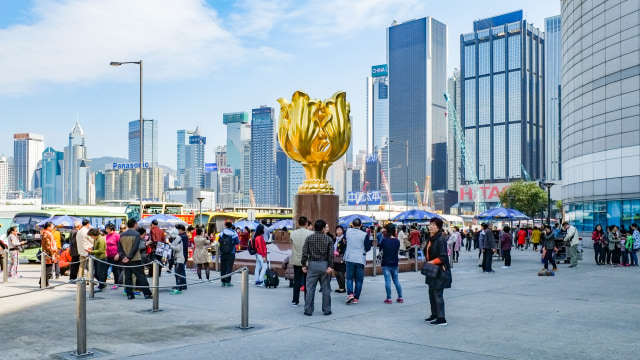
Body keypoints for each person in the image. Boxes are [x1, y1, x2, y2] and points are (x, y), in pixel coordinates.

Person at [301, 219, 334, 316]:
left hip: (312, 265)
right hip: (324, 265)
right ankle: (326, 309)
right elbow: (331, 255)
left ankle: (308, 310)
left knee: (310, 288)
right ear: (323, 228)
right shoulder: (328, 239)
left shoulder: (309, 238)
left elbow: (304, 253)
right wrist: (330, 266)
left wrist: (304, 264)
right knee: (326, 289)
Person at [424, 218, 451, 326]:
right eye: (430, 224)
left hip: (439, 270)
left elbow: (443, 257)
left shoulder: (441, 239)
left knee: (437, 293)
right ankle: (434, 314)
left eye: (433, 225)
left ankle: (441, 318)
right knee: (431, 292)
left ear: (439, 227)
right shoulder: (431, 238)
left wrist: (431, 262)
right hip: (432, 270)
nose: (431, 227)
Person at [117, 219, 152, 300]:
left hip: (125, 259)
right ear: (135, 224)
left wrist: (124, 257)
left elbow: (119, 248)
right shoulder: (136, 234)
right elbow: (135, 247)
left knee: (128, 277)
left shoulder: (122, 235)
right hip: (135, 259)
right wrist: (129, 257)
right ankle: (147, 294)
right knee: (141, 277)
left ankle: (129, 294)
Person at [344, 218, 372, 304]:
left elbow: (344, 241)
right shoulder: (364, 234)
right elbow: (368, 247)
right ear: (361, 225)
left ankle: (350, 294)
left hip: (349, 258)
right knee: (359, 279)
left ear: (352, 224)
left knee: (349, 278)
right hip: (360, 258)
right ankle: (356, 297)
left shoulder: (347, 231)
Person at [289, 216, 313, 307]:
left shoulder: (293, 233)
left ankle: (295, 300)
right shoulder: (311, 233)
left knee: (297, 281)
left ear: (298, 223)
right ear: (306, 223)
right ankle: (307, 299)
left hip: (296, 259)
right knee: (308, 281)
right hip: (307, 260)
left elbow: (292, 245)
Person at [378, 223, 403, 304]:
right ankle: (400, 297)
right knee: (396, 280)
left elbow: (380, 248)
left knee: (387, 281)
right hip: (395, 263)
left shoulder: (384, 240)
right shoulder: (397, 241)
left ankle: (389, 298)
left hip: (386, 263)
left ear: (387, 231)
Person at [219, 222, 240, 287]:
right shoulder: (234, 233)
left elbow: (219, 241)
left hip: (223, 252)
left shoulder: (222, 233)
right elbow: (237, 242)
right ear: (231, 226)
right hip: (231, 252)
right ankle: (228, 282)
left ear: (225, 226)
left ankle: (223, 281)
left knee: (223, 267)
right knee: (229, 267)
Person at [168, 228, 186, 294]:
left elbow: (178, 248)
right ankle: (178, 286)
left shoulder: (178, 239)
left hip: (179, 258)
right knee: (176, 273)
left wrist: (171, 246)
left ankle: (179, 288)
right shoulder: (176, 239)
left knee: (178, 273)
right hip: (177, 258)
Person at [40, 222, 57, 287]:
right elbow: (48, 246)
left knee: (47, 268)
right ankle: (45, 283)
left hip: (49, 253)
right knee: (47, 269)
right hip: (48, 254)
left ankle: (42, 282)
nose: (53, 227)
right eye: (52, 226)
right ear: (48, 227)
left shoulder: (47, 233)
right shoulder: (46, 234)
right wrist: (52, 254)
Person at [104, 223, 122, 289]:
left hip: (115, 255)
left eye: (107, 228)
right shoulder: (107, 235)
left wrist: (118, 254)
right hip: (108, 255)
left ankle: (117, 283)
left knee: (115, 270)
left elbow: (120, 245)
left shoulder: (117, 235)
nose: (106, 230)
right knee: (105, 269)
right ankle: (103, 283)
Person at [333, 225, 346, 293]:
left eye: (340, 230)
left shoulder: (344, 239)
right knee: (336, 272)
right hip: (335, 258)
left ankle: (343, 287)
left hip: (342, 258)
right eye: (337, 230)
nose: (339, 231)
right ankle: (340, 287)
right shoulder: (335, 239)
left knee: (341, 273)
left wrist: (340, 252)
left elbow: (345, 248)